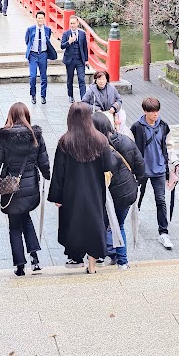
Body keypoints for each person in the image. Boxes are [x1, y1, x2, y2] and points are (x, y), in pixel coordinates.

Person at [0, 103, 52, 276]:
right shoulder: (35, 135)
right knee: (26, 217)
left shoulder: (4, 138)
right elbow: (44, 164)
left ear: (10, 116)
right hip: (30, 188)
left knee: (15, 226)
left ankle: (20, 266)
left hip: (11, 189)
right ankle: (35, 259)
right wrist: (48, 177)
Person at [48, 103, 118, 273]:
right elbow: (108, 165)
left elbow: (58, 171)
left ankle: (76, 257)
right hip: (94, 191)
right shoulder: (100, 140)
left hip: (71, 193)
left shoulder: (65, 141)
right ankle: (92, 266)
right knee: (94, 225)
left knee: (74, 225)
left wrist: (57, 197)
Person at [92, 112, 143, 269]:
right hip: (128, 191)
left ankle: (104, 255)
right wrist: (137, 181)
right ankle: (122, 262)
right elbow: (140, 164)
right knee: (119, 224)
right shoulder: (126, 140)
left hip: (110, 195)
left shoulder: (97, 149)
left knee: (105, 224)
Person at [131, 97, 174, 250]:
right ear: (145, 111)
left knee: (161, 200)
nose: (155, 114)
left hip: (159, 169)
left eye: (157, 111)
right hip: (142, 170)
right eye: (152, 112)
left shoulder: (164, 126)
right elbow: (131, 148)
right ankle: (136, 218)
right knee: (137, 198)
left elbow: (169, 147)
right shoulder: (136, 127)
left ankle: (163, 232)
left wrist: (173, 164)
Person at [24, 10, 53, 105]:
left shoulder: (48, 30)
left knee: (43, 76)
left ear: (44, 19)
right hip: (33, 54)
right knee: (32, 76)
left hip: (43, 54)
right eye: (39, 18)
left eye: (42, 18)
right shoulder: (30, 29)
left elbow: (48, 41)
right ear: (36, 18)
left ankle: (43, 95)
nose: (40, 19)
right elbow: (27, 41)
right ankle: (33, 94)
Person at [60, 16, 90, 103]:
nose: (72, 25)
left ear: (77, 23)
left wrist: (86, 60)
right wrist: (69, 42)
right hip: (70, 60)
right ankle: (70, 95)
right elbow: (62, 46)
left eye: (74, 23)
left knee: (81, 78)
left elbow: (85, 47)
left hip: (80, 60)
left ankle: (83, 98)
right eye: (71, 23)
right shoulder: (66, 34)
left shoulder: (82, 34)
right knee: (70, 79)